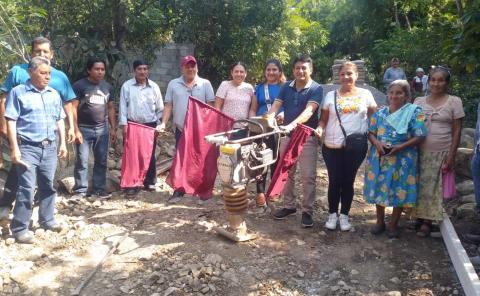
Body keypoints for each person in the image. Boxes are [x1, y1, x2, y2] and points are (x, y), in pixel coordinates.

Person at [0, 36, 76, 222]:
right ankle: (6, 207)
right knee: (17, 172)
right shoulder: (18, 72)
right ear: (31, 53)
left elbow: (67, 103)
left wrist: (72, 128)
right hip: (21, 135)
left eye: (45, 51)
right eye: (37, 51)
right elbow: (4, 98)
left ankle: (44, 216)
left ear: (52, 54)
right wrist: (3, 124)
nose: (42, 54)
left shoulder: (59, 77)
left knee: (44, 180)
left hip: (48, 138)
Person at [5, 56, 67, 243]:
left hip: (49, 147)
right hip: (27, 148)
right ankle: (20, 228)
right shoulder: (18, 92)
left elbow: (59, 119)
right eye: (42, 73)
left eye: (48, 73)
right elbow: (11, 121)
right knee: (27, 188)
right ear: (31, 72)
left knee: (48, 185)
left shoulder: (53, 94)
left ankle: (47, 220)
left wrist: (63, 142)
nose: (47, 77)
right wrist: (14, 148)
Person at [317, 61, 377, 231]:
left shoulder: (366, 95)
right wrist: (320, 128)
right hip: (332, 145)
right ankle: (332, 214)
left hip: (356, 147)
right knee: (334, 180)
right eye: (343, 74)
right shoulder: (330, 96)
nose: (346, 77)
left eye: (349, 73)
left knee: (348, 180)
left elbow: (375, 119)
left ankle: (344, 215)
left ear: (356, 75)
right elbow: (323, 120)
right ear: (339, 76)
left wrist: (376, 139)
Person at [364, 80, 426, 238]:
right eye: (391, 92)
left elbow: (420, 135)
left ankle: (393, 224)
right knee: (379, 186)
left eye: (399, 93)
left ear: (406, 95)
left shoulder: (414, 112)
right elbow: (371, 132)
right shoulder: (380, 113)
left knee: (400, 188)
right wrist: (377, 143)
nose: (394, 96)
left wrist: (399, 147)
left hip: (403, 157)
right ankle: (379, 222)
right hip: (380, 156)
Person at [268, 54, 323, 228]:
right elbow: (276, 106)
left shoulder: (316, 88)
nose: (300, 71)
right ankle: (289, 206)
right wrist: (267, 120)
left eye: (304, 68)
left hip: (306, 137)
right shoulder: (286, 87)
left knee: (308, 176)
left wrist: (291, 125)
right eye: (297, 68)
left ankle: (307, 211)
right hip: (287, 137)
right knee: (286, 172)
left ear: (310, 70)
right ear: (293, 70)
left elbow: (309, 112)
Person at [413, 66, 464, 237]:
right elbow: (413, 126)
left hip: (441, 151)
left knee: (434, 189)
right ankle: (418, 217)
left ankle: (428, 221)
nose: (436, 83)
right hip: (419, 151)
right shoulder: (419, 101)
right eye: (433, 79)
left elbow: (457, 130)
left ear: (447, 83)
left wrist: (451, 155)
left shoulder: (454, 101)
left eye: (441, 80)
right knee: (419, 186)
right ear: (429, 81)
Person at [158, 55, 215, 203]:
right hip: (181, 129)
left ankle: (202, 191)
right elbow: (168, 105)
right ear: (182, 68)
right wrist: (163, 122)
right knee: (180, 160)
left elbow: (211, 106)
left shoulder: (205, 84)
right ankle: (179, 189)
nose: (190, 69)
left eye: (193, 66)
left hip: (200, 130)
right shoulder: (173, 84)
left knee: (201, 160)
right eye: (187, 66)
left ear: (197, 67)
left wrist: (210, 126)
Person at [71, 57, 116, 199]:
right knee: (82, 160)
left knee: (101, 160)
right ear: (89, 70)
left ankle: (99, 190)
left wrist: (113, 128)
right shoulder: (79, 86)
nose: (100, 72)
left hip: (102, 129)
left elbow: (110, 108)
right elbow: (73, 108)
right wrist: (75, 129)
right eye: (97, 69)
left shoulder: (107, 87)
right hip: (83, 129)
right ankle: (80, 191)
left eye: (102, 69)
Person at [118, 60, 164, 196]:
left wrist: (159, 125)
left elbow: (160, 108)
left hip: (150, 125)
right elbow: (122, 107)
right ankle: (132, 183)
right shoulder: (127, 86)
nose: (142, 72)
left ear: (148, 70)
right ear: (134, 71)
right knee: (132, 154)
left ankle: (149, 181)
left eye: (145, 69)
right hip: (132, 124)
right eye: (139, 69)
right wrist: (124, 125)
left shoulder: (154, 87)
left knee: (149, 153)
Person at [249, 59, 286, 207]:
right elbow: (253, 108)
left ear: (280, 71)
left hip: (278, 128)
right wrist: (252, 120)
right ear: (265, 72)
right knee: (259, 159)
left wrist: (285, 115)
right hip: (260, 129)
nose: (271, 72)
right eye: (268, 70)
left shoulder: (286, 87)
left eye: (274, 70)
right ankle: (260, 192)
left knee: (276, 160)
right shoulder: (259, 88)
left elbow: (291, 106)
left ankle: (275, 191)